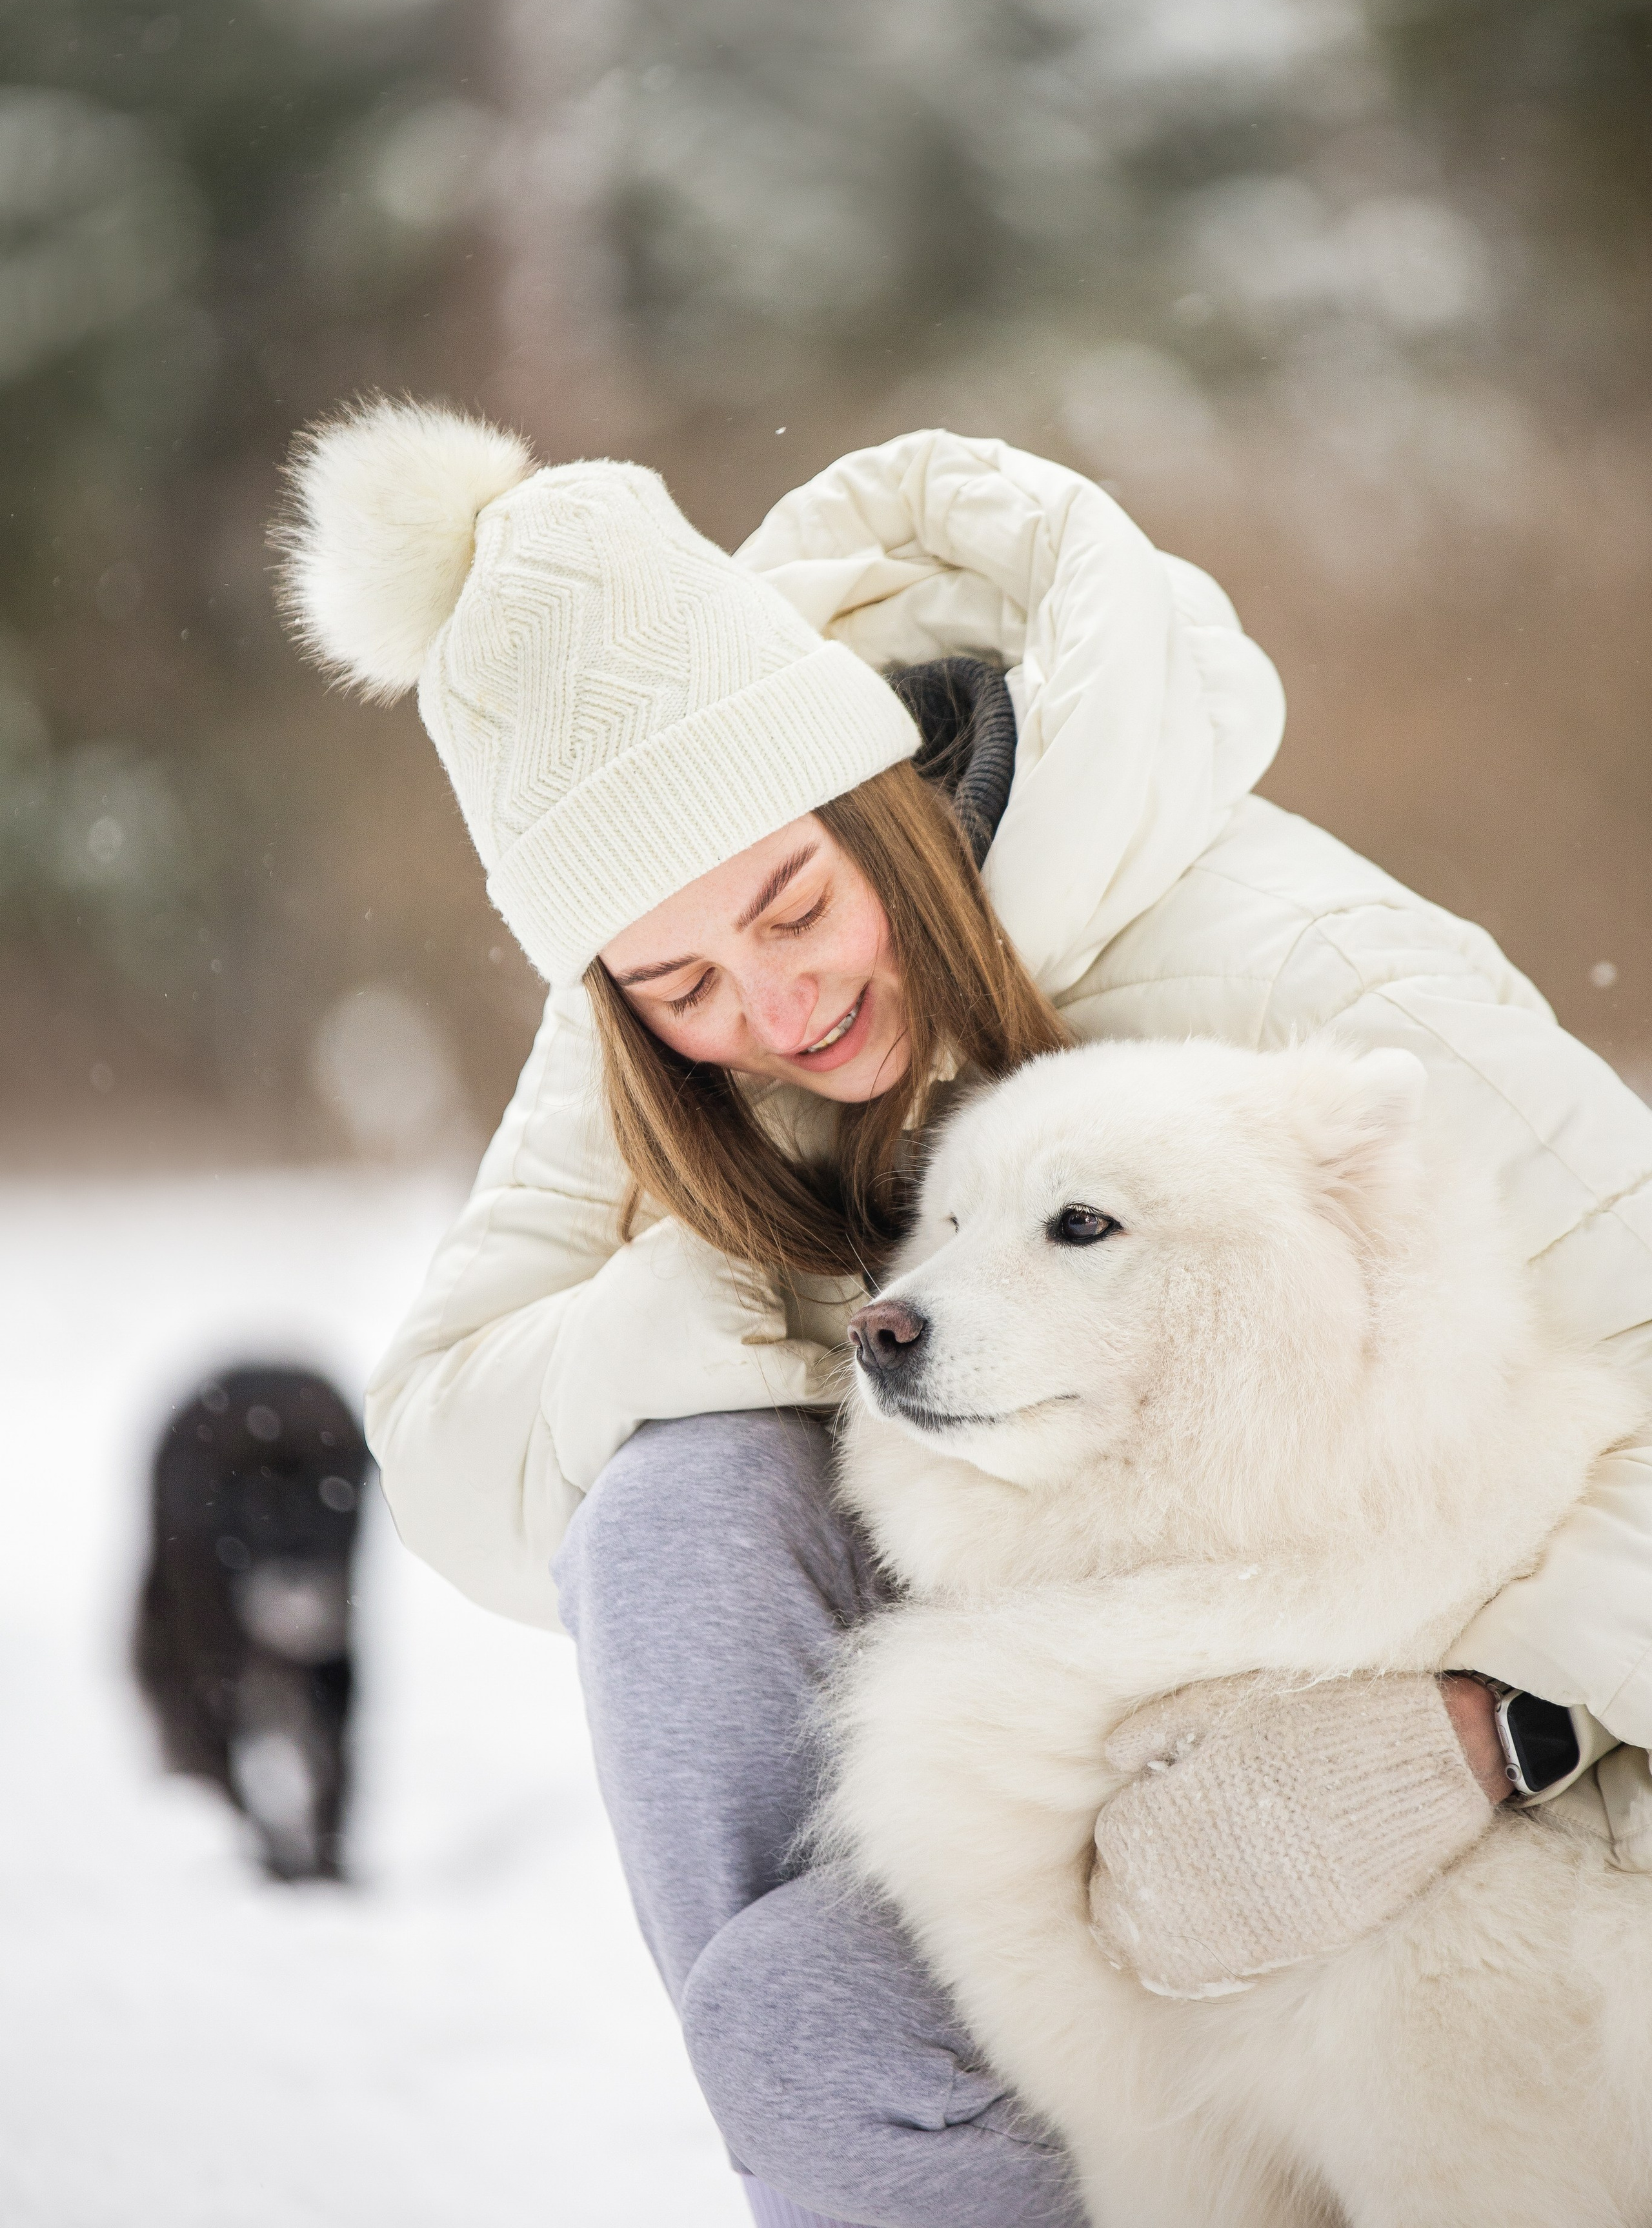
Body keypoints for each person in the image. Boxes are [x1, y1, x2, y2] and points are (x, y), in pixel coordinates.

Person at [279, 406, 1652, 2228]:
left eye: (796, 908)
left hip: (1451, 1693)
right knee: (684, 1547)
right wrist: (760, 1273)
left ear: (879, 812)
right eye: (678, 983)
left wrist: (1489, 1731)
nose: (774, 1006)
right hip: (1052, 1700)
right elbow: (454, 1447)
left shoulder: (1302, 967)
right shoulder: (669, 985)